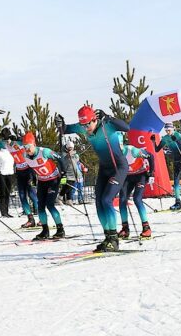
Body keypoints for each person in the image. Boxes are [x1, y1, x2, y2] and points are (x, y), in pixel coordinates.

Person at [59, 105, 129, 252]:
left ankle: (114, 240)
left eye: (88, 124)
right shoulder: (82, 127)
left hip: (119, 167)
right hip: (104, 168)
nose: (86, 128)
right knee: (98, 202)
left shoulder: (107, 125)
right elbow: (66, 129)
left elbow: (126, 127)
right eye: (83, 125)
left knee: (106, 200)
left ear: (94, 119)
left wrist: (109, 117)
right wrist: (60, 123)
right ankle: (108, 237)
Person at [0, 128, 39, 228]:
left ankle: (41, 218)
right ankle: (30, 219)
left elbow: (29, 144)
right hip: (19, 171)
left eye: (7, 140)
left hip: (28, 169)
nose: (6, 143)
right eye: (4, 140)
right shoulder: (3, 145)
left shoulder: (17, 142)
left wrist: (19, 137)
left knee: (32, 194)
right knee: (22, 196)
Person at [21, 132, 67, 240]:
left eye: (28, 147)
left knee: (50, 205)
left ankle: (60, 229)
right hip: (42, 181)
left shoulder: (44, 152)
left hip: (53, 180)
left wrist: (64, 173)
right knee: (40, 206)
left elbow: (60, 158)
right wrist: (32, 179)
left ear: (34, 145)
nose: (27, 149)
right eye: (24, 147)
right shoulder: (25, 156)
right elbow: (31, 167)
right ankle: (45, 230)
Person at [151, 122, 181, 210]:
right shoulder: (165, 138)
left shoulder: (177, 135)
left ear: (173, 129)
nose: (168, 132)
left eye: (169, 130)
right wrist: (153, 142)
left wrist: (176, 140)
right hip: (176, 159)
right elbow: (157, 149)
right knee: (176, 181)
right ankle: (177, 202)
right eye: (166, 130)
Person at [118, 134, 155, 239]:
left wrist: (151, 173)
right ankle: (125, 228)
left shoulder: (132, 151)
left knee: (137, 199)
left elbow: (150, 156)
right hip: (127, 177)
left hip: (140, 175)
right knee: (122, 200)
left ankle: (146, 227)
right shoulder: (113, 154)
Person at [0, 145, 15, 217]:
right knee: (3, 193)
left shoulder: (10, 153)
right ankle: (3, 212)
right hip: (2, 174)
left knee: (8, 193)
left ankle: (6, 211)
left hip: (10, 174)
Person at [59, 140, 84, 206]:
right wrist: (68, 155)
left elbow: (76, 161)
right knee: (66, 185)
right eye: (69, 148)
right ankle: (60, 197)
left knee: (71, 186)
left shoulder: (75, 154)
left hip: (73, 173)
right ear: (66, 147)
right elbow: (63, 160)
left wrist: (73, 155)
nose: (70, 149)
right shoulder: (63, 154)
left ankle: (69, 199)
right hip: (65, 173)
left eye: (71, 148)